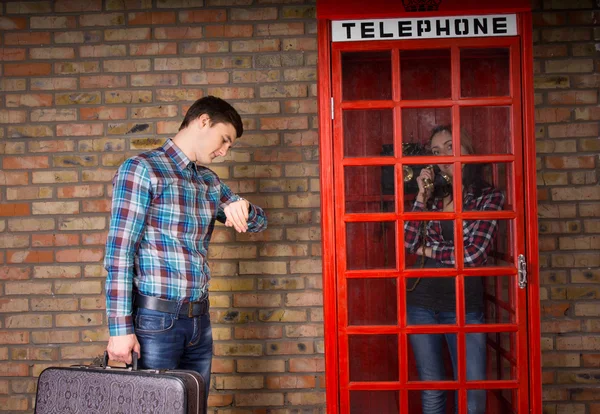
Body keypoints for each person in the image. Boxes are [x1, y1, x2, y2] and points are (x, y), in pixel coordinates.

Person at [104, 96, 267, 404]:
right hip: (155, 323)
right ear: (203, 121)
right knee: (153, 409)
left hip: (199, 322)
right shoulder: (142, 169)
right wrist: (120, 330)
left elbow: (259, 223)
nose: (223, 151)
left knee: (193, 409)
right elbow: (119, 253)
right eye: (224, 140)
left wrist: (241, 206)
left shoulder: (209, 181)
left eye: (229, 147)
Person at [404, 125, 505, 414]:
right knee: (433, 391)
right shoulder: (433, 197)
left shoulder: (488, 197)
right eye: (436, 152)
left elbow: (473, 255)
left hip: (465, 306)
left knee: (473, 392)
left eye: (450, 146)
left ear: (467, 151)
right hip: (422, 305)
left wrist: (429, 250)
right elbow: (409, 241)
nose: (444, 155)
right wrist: (421, 196)